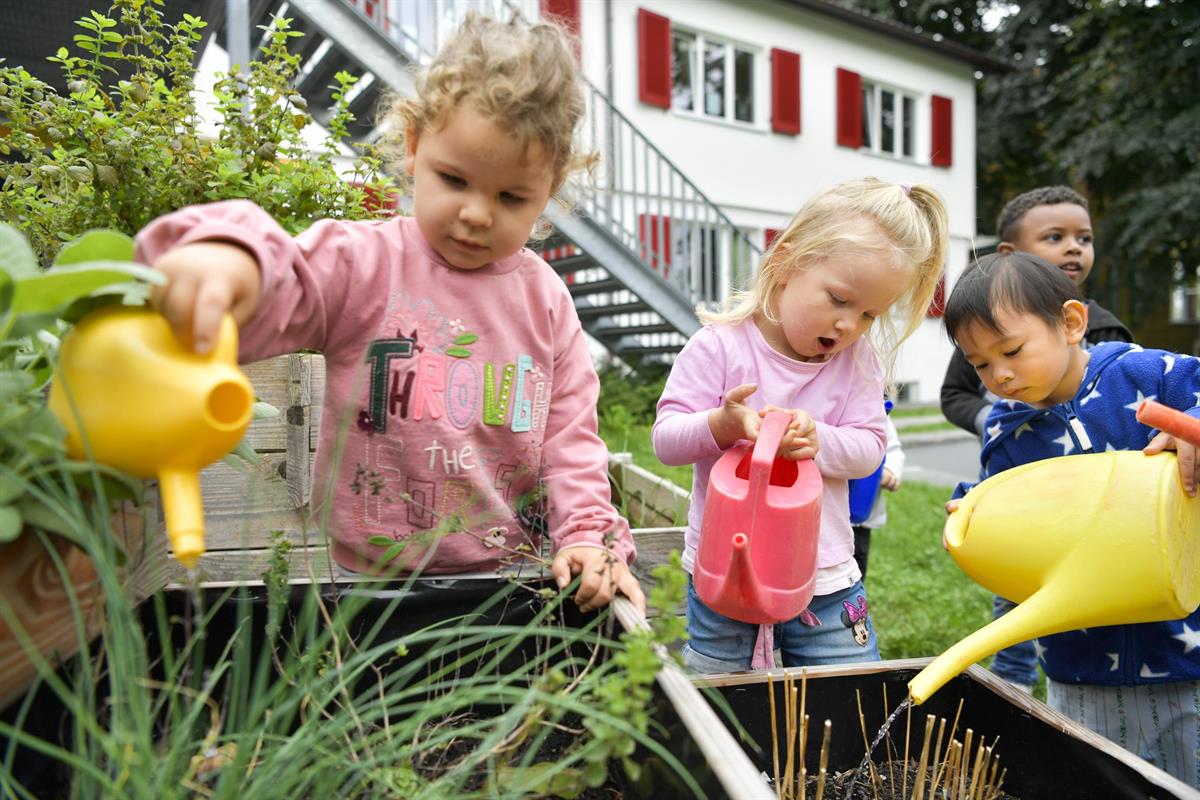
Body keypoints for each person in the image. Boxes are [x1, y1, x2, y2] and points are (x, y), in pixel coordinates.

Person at [133, 14, 644, 614]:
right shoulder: (363, 264)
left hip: (511, 585)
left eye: (511, 197)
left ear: (550, 186)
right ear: (413, 145)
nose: (477, 214)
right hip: (368, 585)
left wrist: (591, 536)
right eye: (454, 179)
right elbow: (277, 287)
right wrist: (229, 261)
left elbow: (570, 441)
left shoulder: (546, 302)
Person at [653, 178, 948, 673]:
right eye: (838, 299)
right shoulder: (719, 347)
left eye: (870, 315)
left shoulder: (857, 363)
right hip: (728, 572)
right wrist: (721, 425)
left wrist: (820, 440)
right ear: (786, 263)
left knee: (851, 692)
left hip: (826, 577)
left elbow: (870, 448)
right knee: (718, 695)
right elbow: (665, 439)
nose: (848, 326)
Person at [943, 250, 1200, 786]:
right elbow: (1007, 503)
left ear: (1071, 322)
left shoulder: (1146, 374)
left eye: (1011, 350)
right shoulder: (1008, 433)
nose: (1001, 375)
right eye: (981, 364)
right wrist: (973, 510)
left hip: (1187, 652)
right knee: (1095, 781)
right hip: (1082, 665)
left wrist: (1192, 424)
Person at [940, 185, 1133, 692]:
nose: (1073, 248)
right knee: (1022, 602)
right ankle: (1014, 683)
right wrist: (1000, 421)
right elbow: (955, 395)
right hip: (1040, 513)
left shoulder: (1117, 341)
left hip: (1116, 528)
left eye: (1082, 237)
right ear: (1009, 253)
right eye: (1054, 237)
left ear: (1073, 325)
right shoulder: (984, 332)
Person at [852, 415, 904, 582]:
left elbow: (892, 449)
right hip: (822, 519)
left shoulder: (877, 412)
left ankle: (853, 606)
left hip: (859, 518)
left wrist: (890, 470)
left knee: (856, 572)